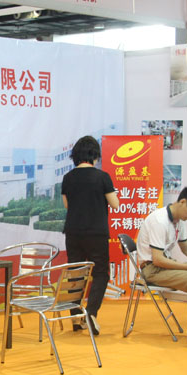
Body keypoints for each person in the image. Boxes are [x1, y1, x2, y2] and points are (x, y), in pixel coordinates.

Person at [61, 136, 119, 334]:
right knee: (101, 273)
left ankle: (76, 318)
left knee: (76, 273)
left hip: (73, 232)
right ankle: (91, 313)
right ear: (95, 155)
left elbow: (67, 205)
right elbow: (115, 204)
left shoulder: (68, 178)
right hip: (96, 233)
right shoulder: (102, 177)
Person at [134, 186, 187, 342]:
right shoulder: (159, 221)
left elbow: (186, 247)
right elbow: (158, 259)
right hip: (152, 270)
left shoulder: (178, 221)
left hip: (163, 266)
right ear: (183, 202)